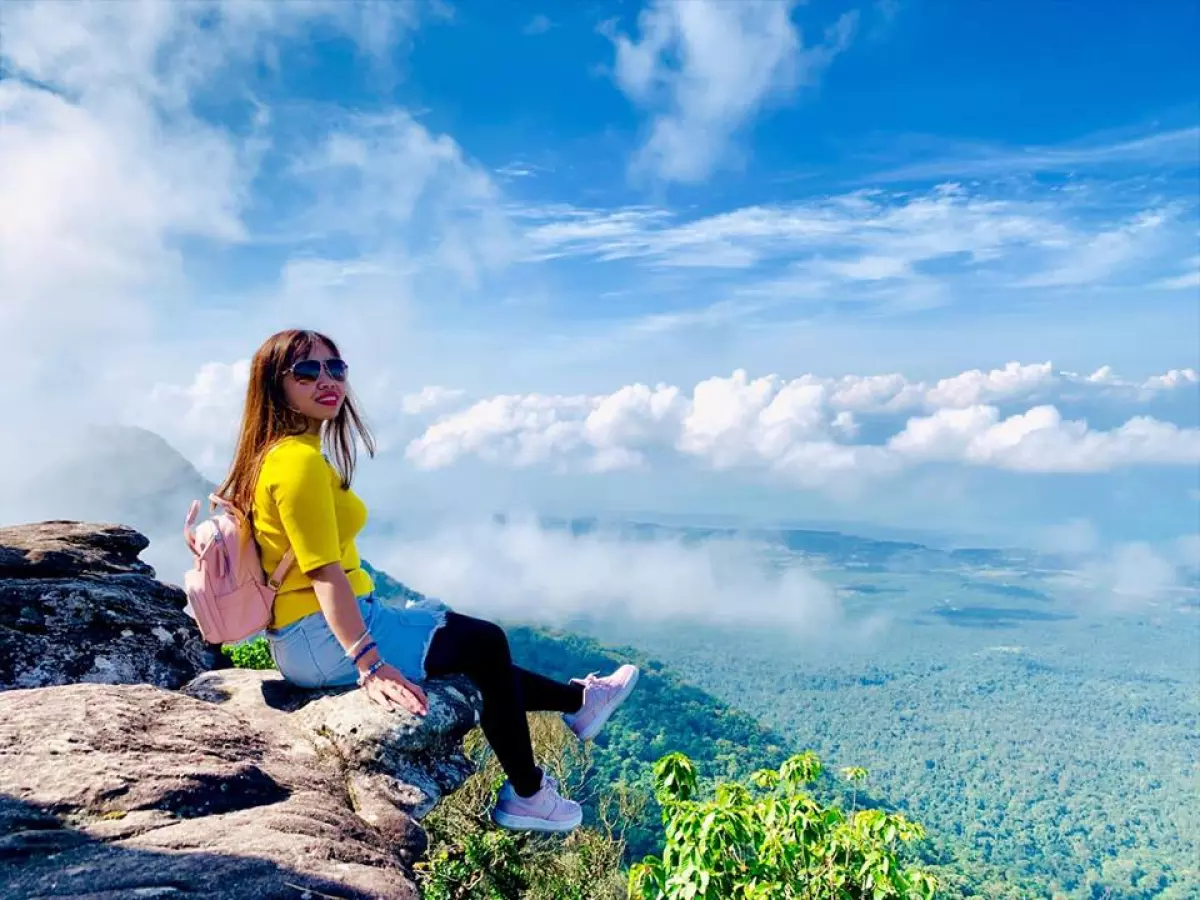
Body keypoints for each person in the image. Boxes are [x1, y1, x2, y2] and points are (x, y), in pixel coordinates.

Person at [215, 328, 639, 833]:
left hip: (307, 633)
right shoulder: (298, 462)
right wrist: (370, 665)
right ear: (274, 385)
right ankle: (528, 792)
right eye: (307, 371)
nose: (326, 381)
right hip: (321, 637)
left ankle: (579, 702)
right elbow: (322, 571)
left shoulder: (284, 453)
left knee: (474, 648)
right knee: (485, 642)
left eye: (337, 368)